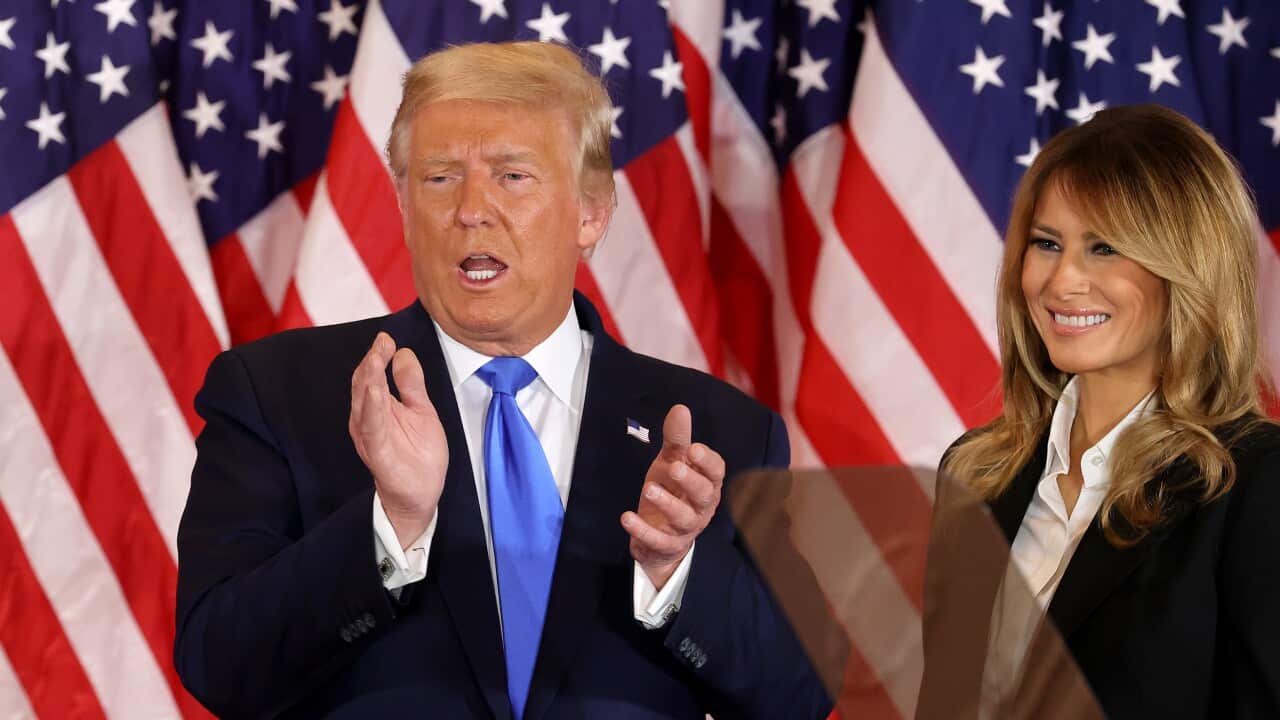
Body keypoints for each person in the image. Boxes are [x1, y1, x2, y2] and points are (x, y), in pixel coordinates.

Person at [174, 41, 827, 719]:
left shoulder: (718, 433)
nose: (471, 209)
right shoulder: (278, 394)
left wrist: (676, 572)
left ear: (592, 210)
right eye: (439, 178)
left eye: (513, 176)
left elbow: (802, 695)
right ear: (401, 204)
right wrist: (389, 526)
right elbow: (218, 664)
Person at [941, 104, 1280, 718]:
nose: (1062, 279)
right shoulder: (973, 472)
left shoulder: (1256, 484)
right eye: (1047, 243)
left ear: (1190, 267)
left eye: (1105, 247)